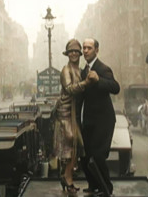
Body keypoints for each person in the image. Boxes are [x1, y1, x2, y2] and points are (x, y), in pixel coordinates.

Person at [78, 38, 120, 196]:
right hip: (89, 121)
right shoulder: (84, 71)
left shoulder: (102, 68)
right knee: (85, 155)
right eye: (84, 48)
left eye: (89, 48)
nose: (85, 51)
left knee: (98, 156)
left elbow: (115, 87)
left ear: (96, 50)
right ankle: (93, 185)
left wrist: (99, 80)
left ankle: (106, 188)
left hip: (104, 121)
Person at [53, 38, 92, 194]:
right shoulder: (66, 70)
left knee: (75, 148)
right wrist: (87, 82)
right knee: (69, 147)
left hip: (74, 113)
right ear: (67, 54)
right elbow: (69, 89)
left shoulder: (80, 70)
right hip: (65, 113)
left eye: (76, 51)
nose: (74, 53)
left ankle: (68, 178)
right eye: (71, 52)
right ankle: (66, 178)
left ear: (80, 54)